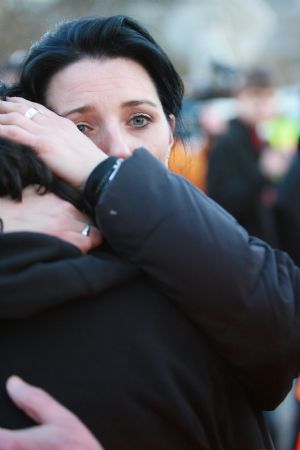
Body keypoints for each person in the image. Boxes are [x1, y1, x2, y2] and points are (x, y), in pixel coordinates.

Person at [0, 15, 299, 450]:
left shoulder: (209, 257)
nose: (118, 148)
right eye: (80, 129)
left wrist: (103, 175)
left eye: (139, 120)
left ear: (172, 130)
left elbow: (282, 332)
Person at [206, 69, 279, 245]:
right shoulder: (227, 142)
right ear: (239, 98)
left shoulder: (262, 137)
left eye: (267, 96)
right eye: (255, 96)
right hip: (242, 248)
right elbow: (220, 203)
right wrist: (263, 174)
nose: (262, 104)